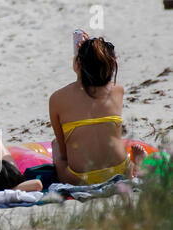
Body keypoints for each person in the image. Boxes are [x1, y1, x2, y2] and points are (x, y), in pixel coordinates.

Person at [49, 31, 146, 185]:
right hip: (121, 170)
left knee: (56, 147)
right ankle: (137, 167)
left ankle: (136, 166)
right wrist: (92, 54)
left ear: (78, 63)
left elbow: (64, 151)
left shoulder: (57, 98)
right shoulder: (117, 91)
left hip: (79, 179)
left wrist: (81, 66)